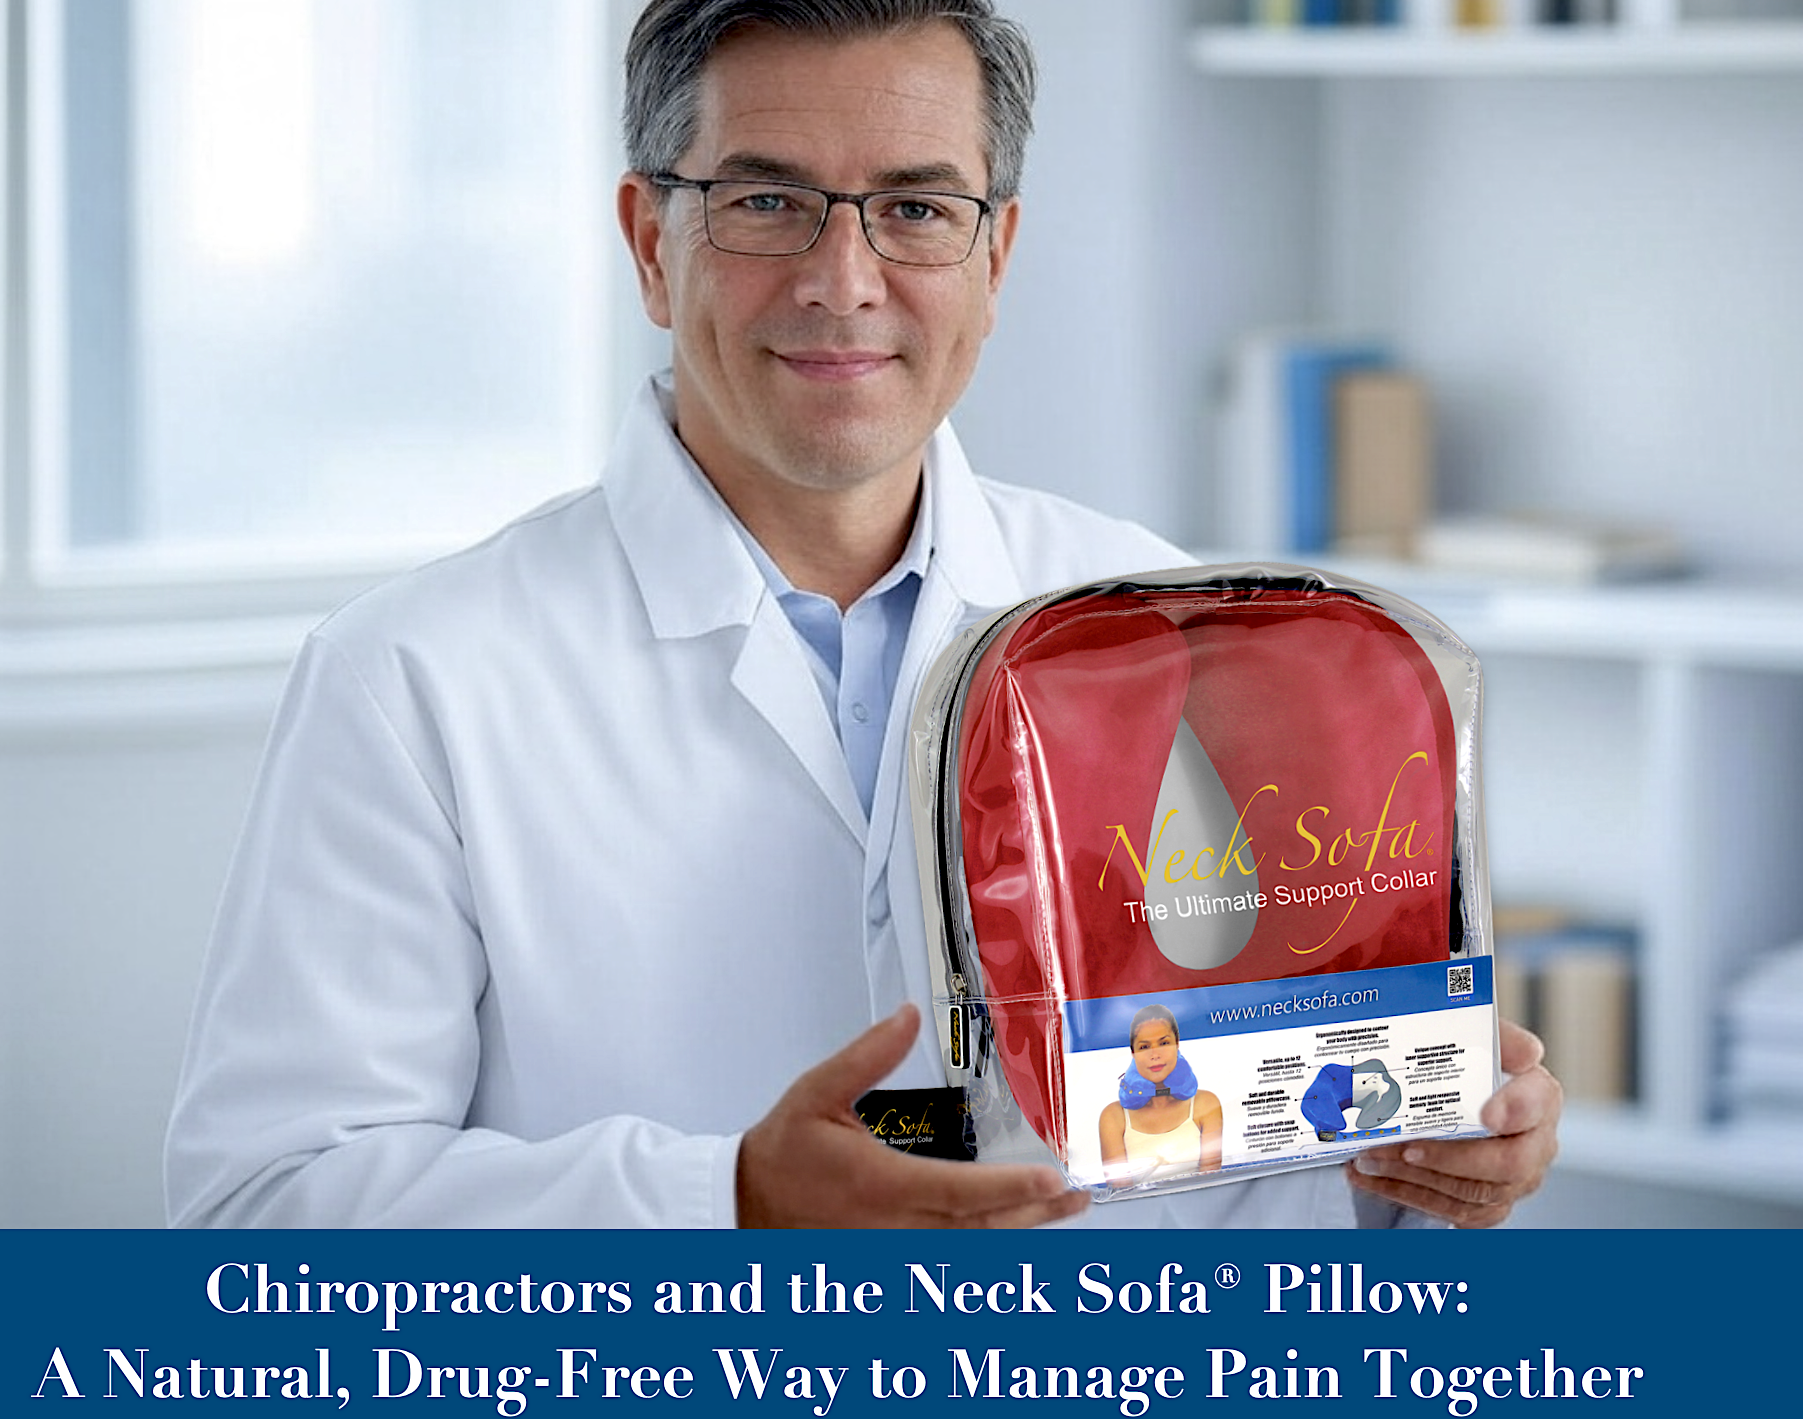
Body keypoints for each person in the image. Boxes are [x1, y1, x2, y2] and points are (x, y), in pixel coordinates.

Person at [164, 0, 1559, 1231]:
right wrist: (728, 1205)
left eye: (914, 205)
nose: (844, 280)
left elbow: (1230, 1138)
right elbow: (265, 1204)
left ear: (994, 255)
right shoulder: (411, 678)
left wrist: (1415, 1155)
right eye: (766, 202)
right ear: (652, 242)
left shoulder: (1163, 622)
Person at [1098, 1006, 1223, 1182]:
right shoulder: (1113, 1117)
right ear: (1133, 1053)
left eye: (1164, 1043)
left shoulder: (1206, 1104)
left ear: (1177, 1045)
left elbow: (1211, 1184)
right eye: (1144, 1046)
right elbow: (1120, 1194)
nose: (1154, 1054)